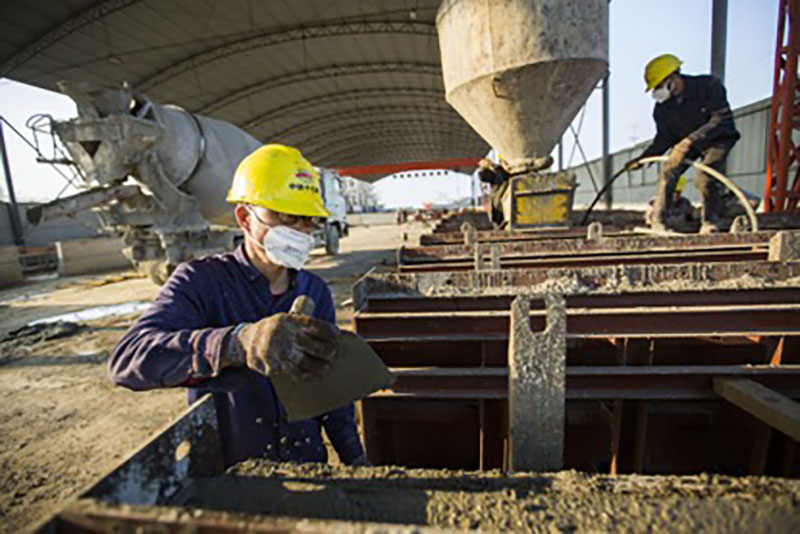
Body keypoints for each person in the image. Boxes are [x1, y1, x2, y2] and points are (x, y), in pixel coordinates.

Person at [108, 144, 367, 468]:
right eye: (285, 216)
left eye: (307, 220)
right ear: (244, 217)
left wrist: (354, 456)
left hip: (308, 466)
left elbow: (330, 387)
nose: (300, 231)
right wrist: (236, 343)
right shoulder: (201, 282)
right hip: (232, 476)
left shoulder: (315, 291)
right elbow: (128, 359)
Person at [626, 54, 740, 234]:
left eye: (658, 85)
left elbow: (720, 118)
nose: (657, 90)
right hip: (690, 144)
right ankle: (659, 221)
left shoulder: (708, 86)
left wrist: (688, 141)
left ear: (672, 78)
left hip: (718, 138)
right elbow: (664, 137)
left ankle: (710, 222)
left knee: (705, 176)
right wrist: (644, 158)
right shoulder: (663, 109)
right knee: (668, 171)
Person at [477, 158, 511, 228]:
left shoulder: (495, 171)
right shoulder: (498, 169)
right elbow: (483, 177)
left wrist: (483, 168)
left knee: (498, 211)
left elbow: (483, 177)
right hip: (501, 193)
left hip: (499, 194)